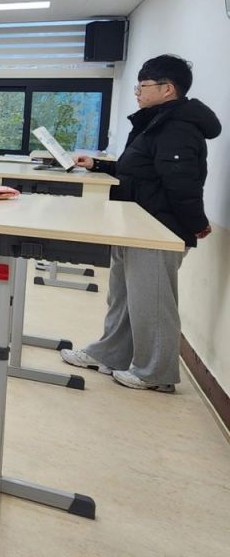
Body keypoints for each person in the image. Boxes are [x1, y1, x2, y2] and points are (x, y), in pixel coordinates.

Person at [60, 55, 220, 392]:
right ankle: (111, 353)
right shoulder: (155, 122)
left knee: (153, 302)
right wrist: (98, 166)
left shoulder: (177, 127)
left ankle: (156, 373)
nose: (137, 92)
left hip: (158, 229)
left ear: (167, 89)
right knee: (122, 297)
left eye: (142, 86)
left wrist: (196, 223)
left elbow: (182, 184)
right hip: (135, 223)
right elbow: (137, 170)